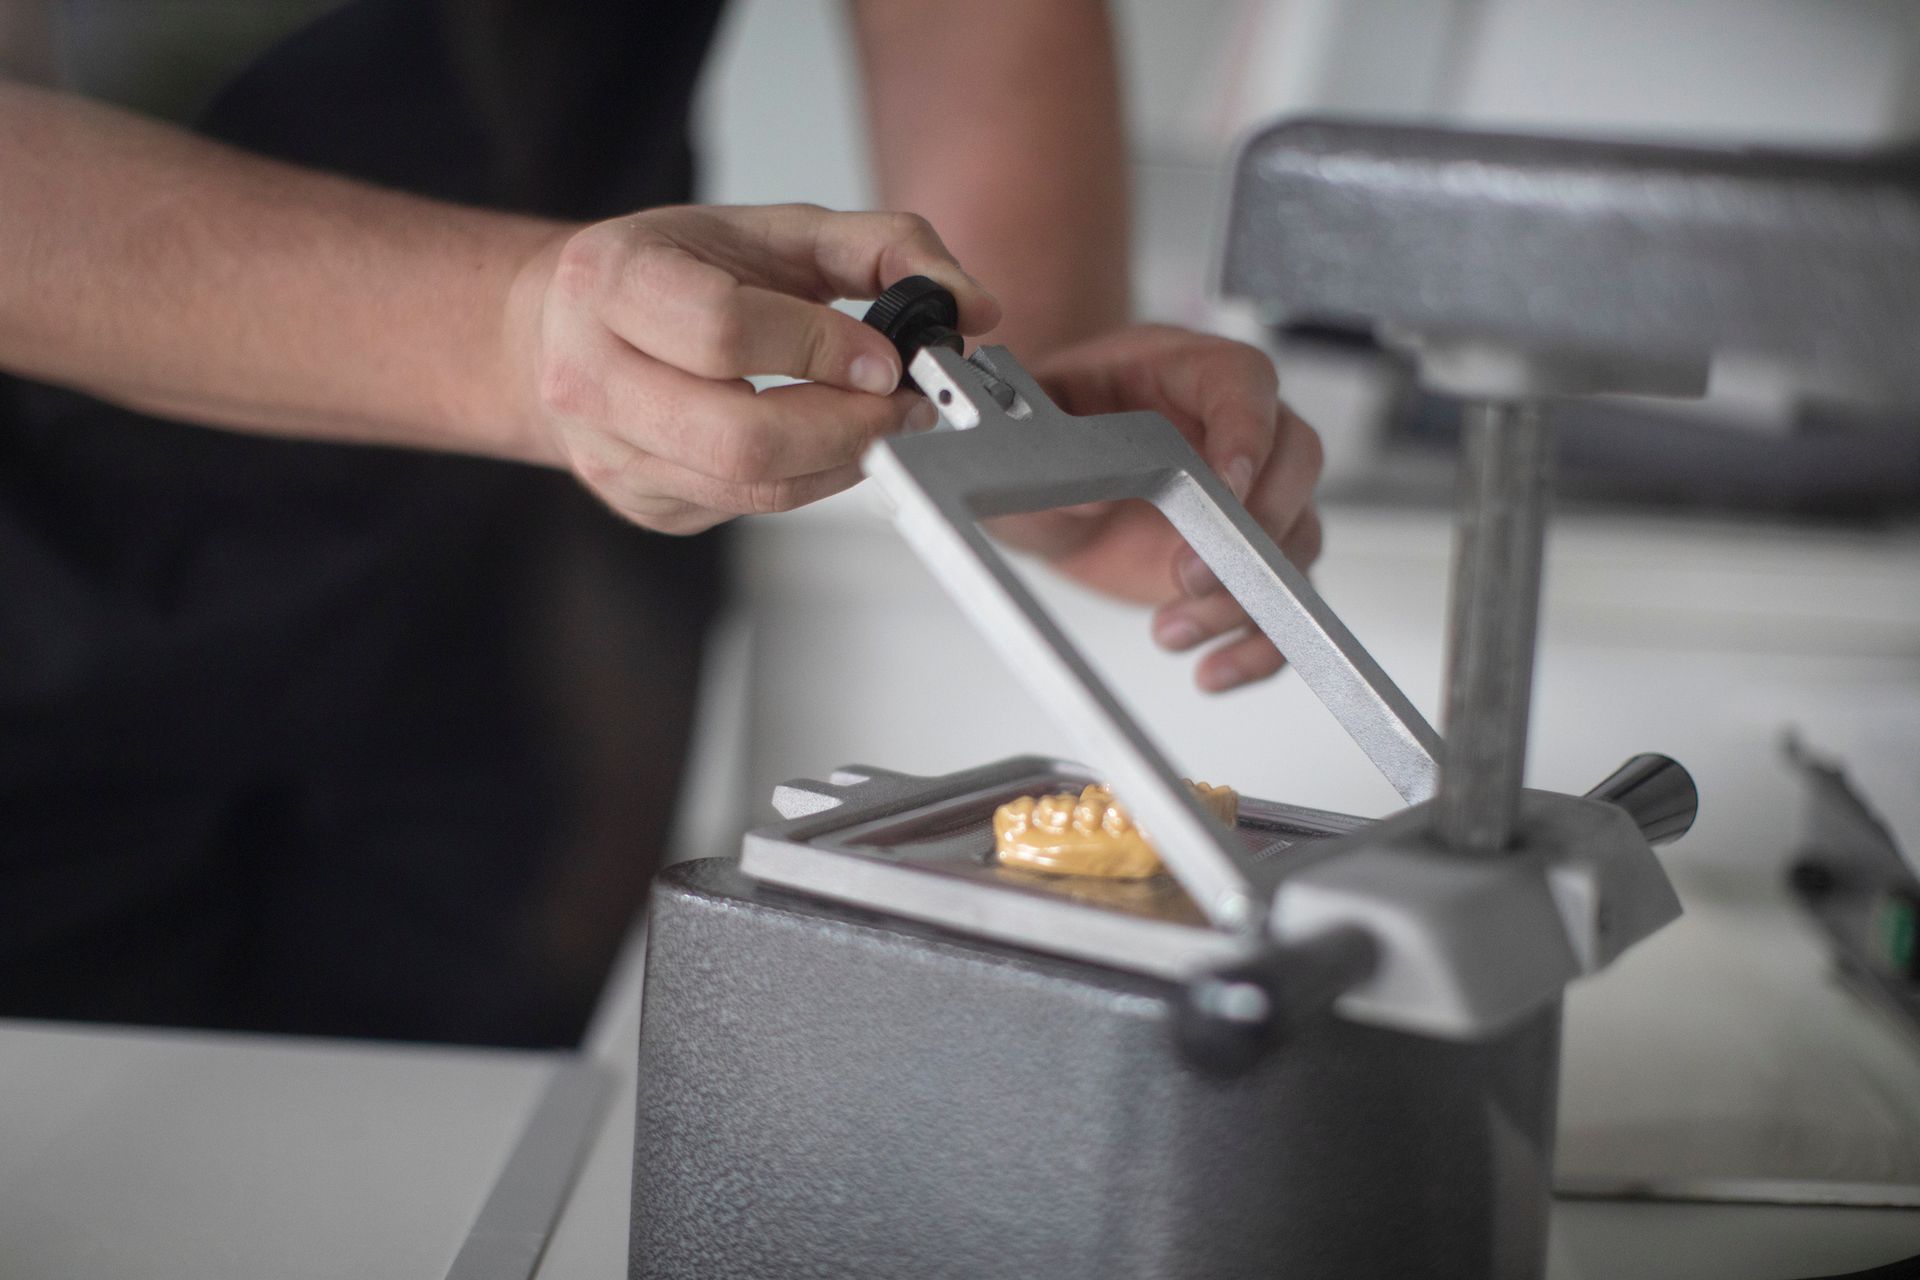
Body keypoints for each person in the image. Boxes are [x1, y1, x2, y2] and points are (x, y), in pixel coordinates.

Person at [0, 0, 1324, 1047]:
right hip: (36, 578)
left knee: (455, 1159)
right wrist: (511, 333)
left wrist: (1033, 424)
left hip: (527, 596)